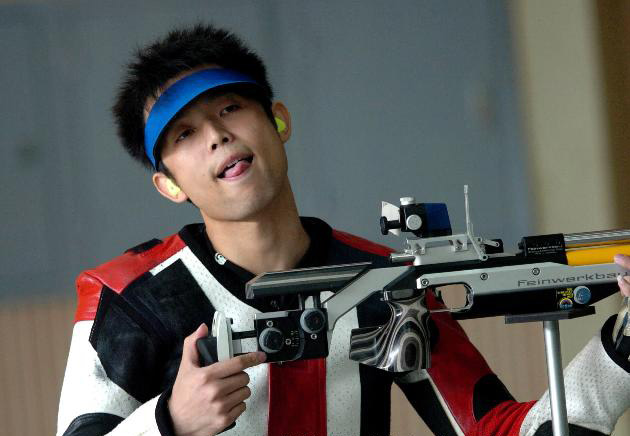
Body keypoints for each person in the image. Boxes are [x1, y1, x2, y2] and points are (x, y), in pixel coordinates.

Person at [56, 24, 630, 436]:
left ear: (278, 121)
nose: (215, 135)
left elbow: (503, 431)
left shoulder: (389, 281)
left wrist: (622, 347)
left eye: (230, 107)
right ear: (169, 184)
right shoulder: (124, 296)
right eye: (183, 134)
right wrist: (171, 424)